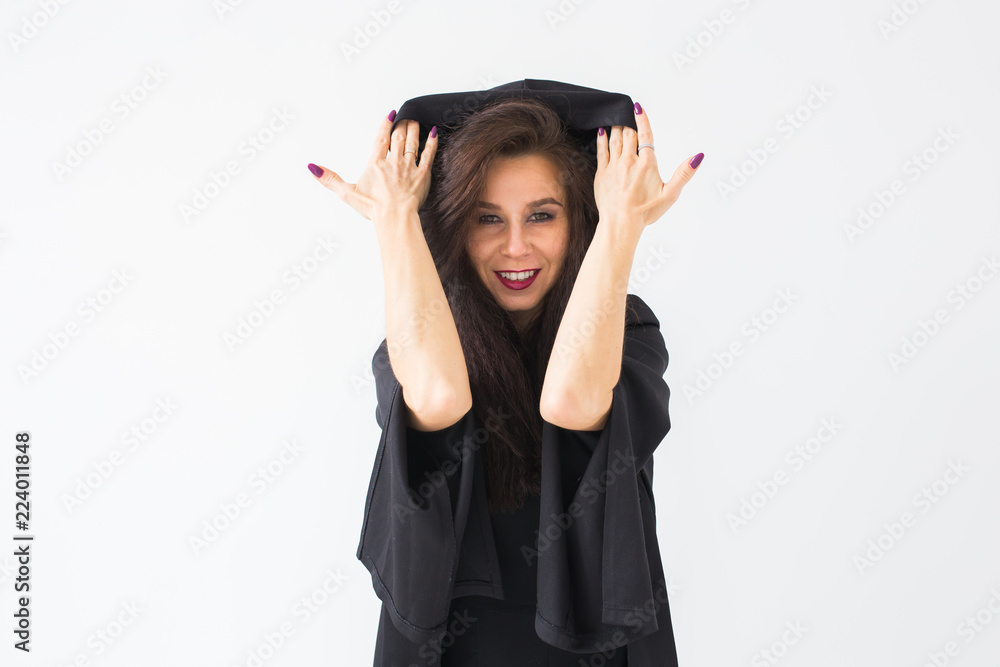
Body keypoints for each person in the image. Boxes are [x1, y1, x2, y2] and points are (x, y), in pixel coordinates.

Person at [307, 80, 703, 667]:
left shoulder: (629, 331)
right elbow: (440, 395)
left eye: (541, 215)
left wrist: (622, 223)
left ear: (578, 223)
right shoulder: (418, 342)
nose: (516, 247)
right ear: (454, 226)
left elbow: (571, 402)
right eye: (487, 218)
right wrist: (394, 218)